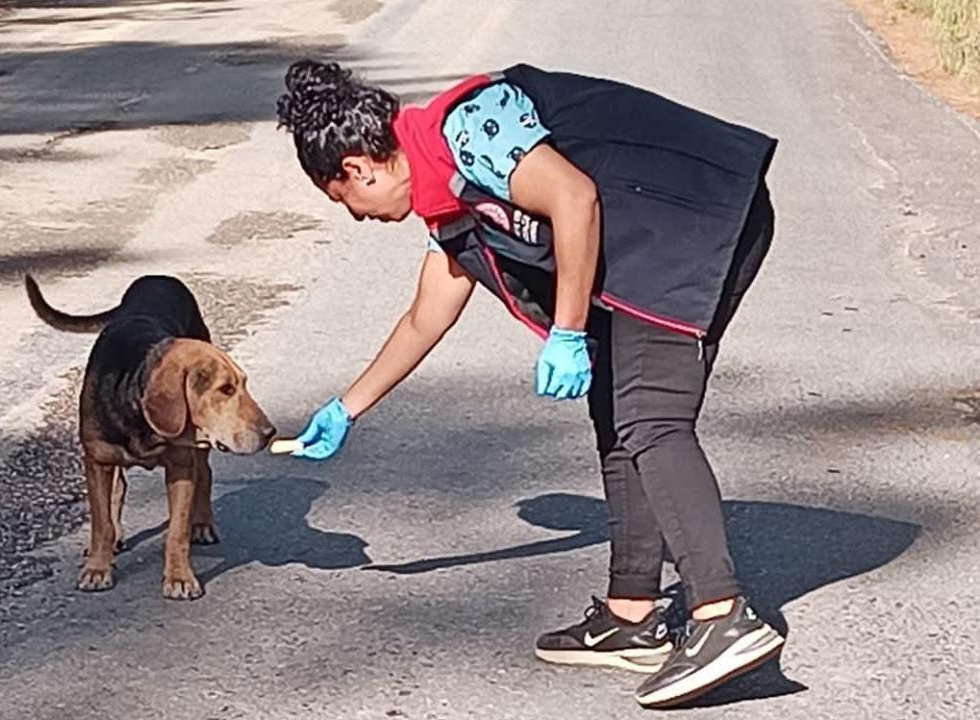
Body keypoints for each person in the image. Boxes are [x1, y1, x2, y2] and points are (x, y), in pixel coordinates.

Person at [274, 59, 783, 708]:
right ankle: (633, 615)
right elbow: (428, 311)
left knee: (651, 419)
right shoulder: (445, 194)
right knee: (615, 411)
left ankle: (722, 616)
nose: (356, 216)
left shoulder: (466, 129)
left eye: (344, 201)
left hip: (697, 218)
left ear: (357, 169)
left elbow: (574, 197)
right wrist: (348, 407)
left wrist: (569, 331)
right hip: (652, 238)